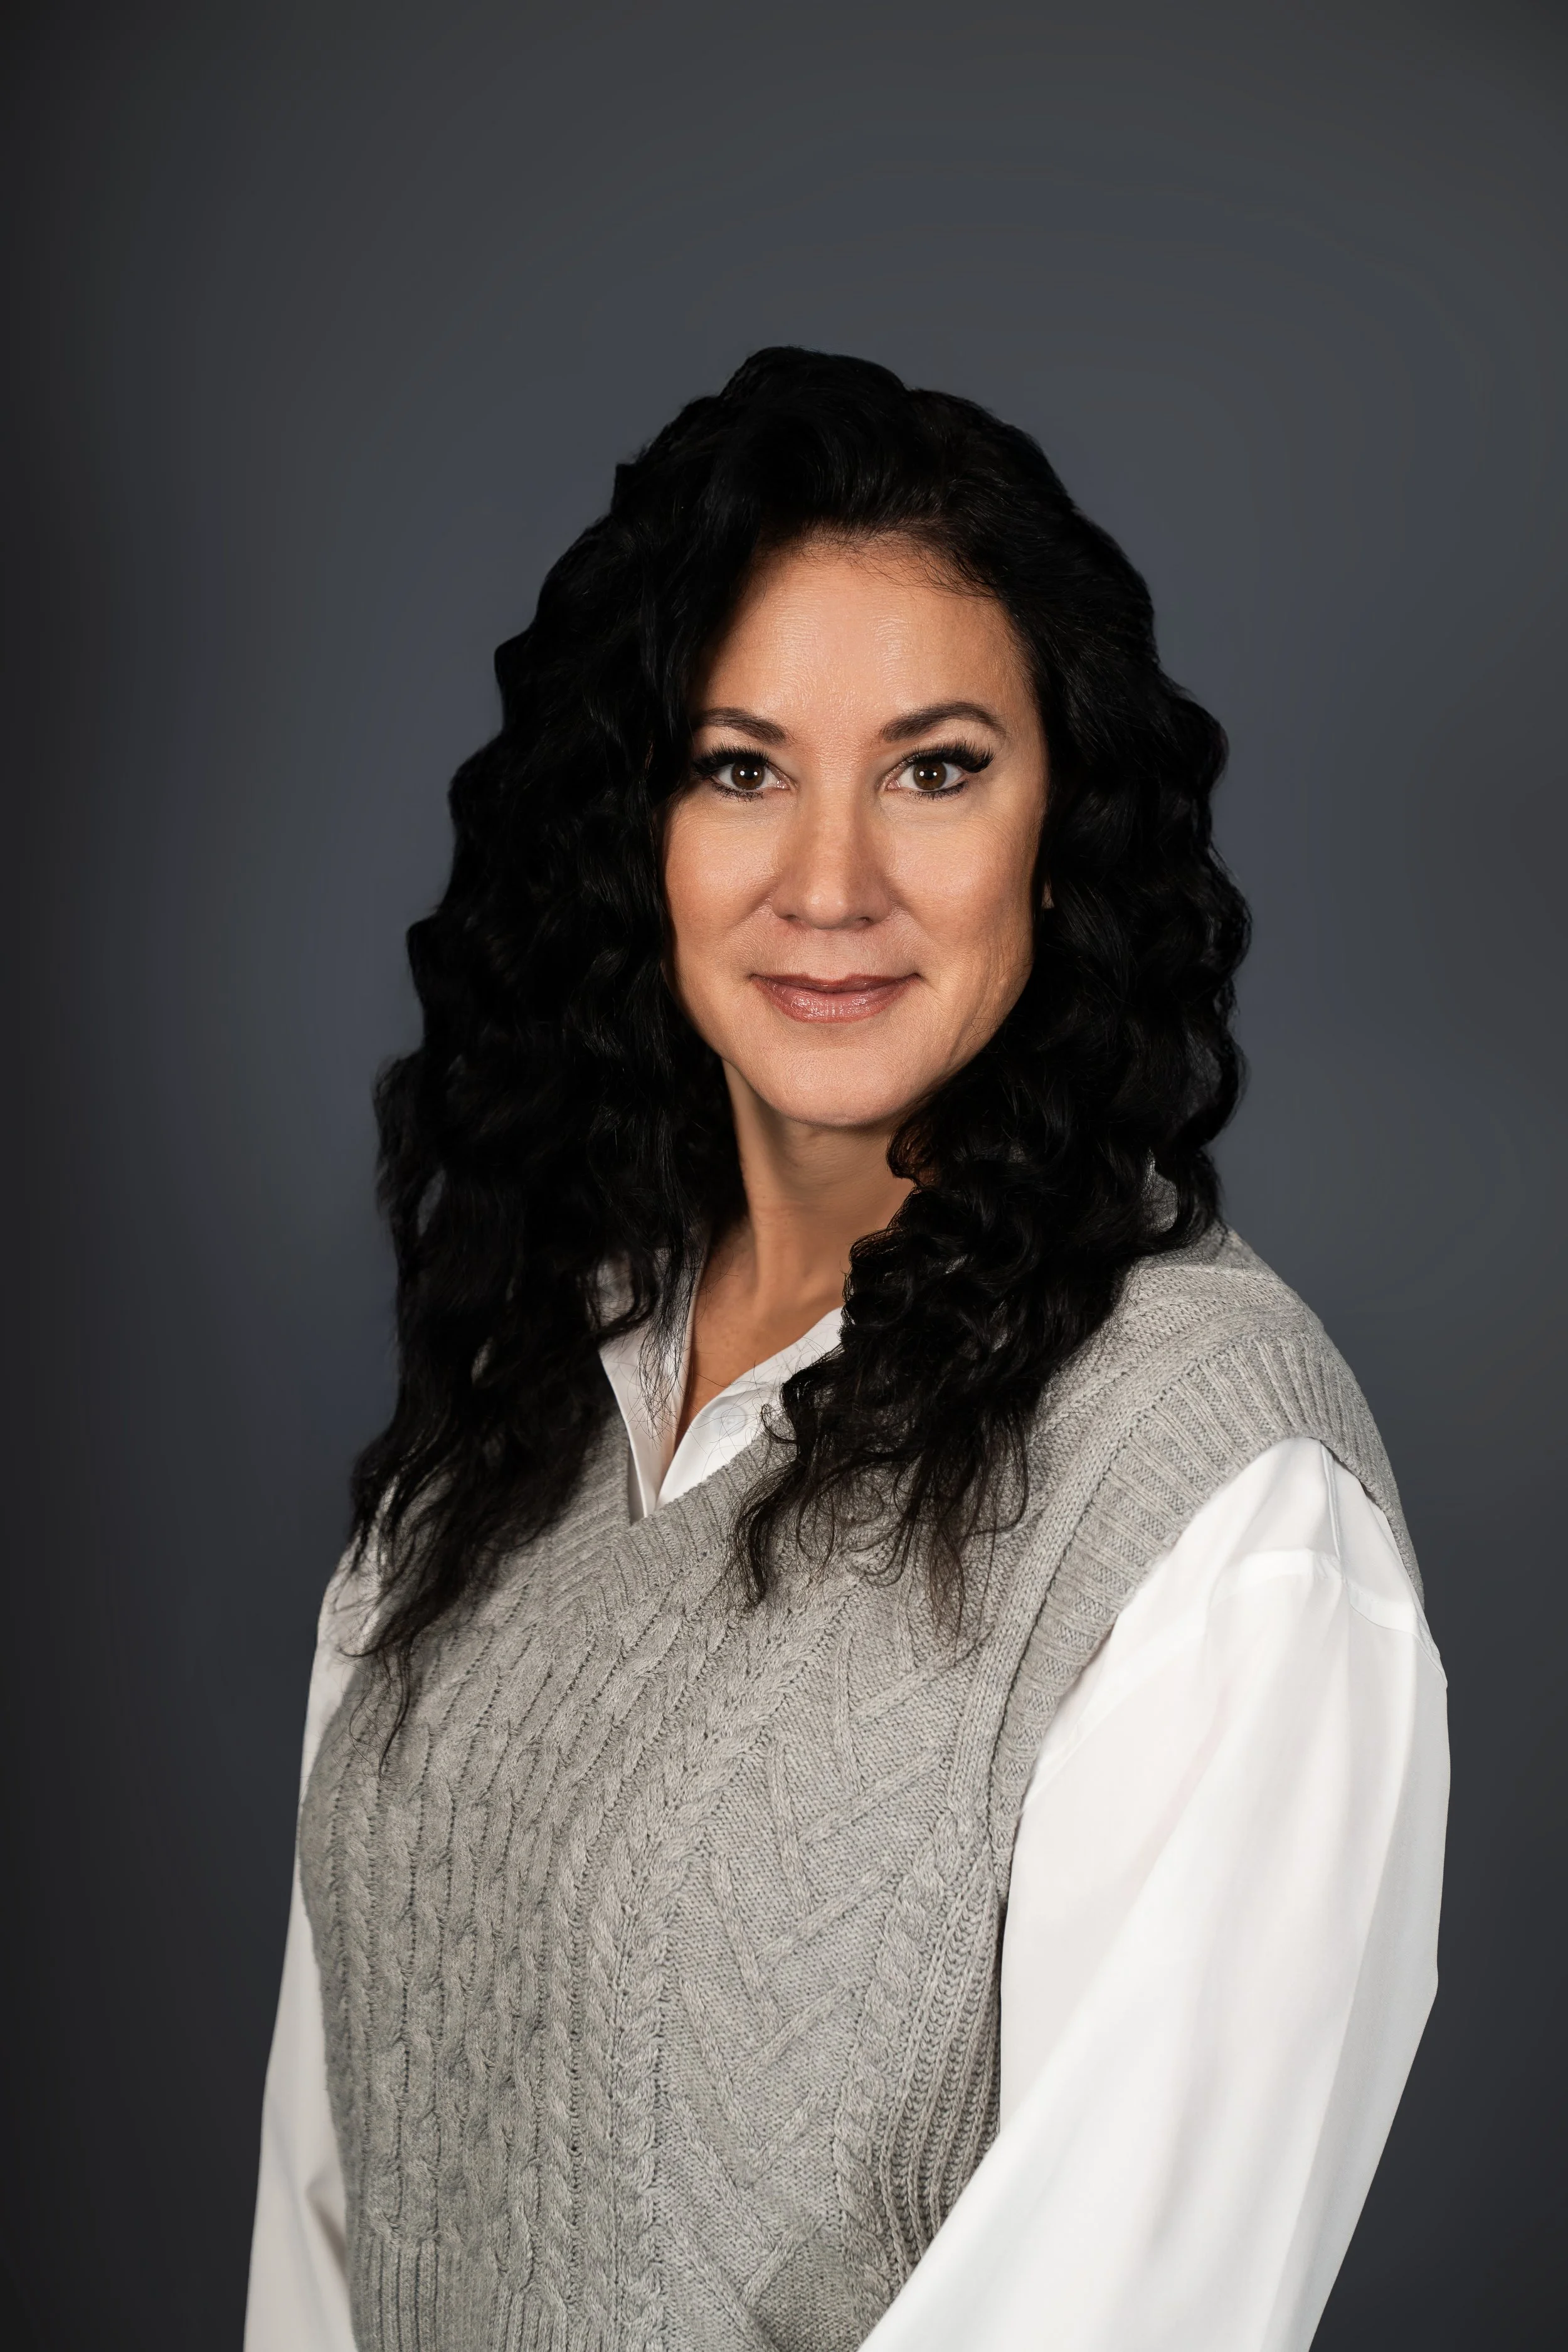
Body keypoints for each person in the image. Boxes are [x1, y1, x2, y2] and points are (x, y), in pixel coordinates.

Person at [245, 348, 1448, 2352]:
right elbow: (328, 2206)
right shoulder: (525, 1400)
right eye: (740, 765)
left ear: (1062, 830)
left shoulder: (1223, 1510)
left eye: (936, 765)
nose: (828, 883)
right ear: (636, 835)